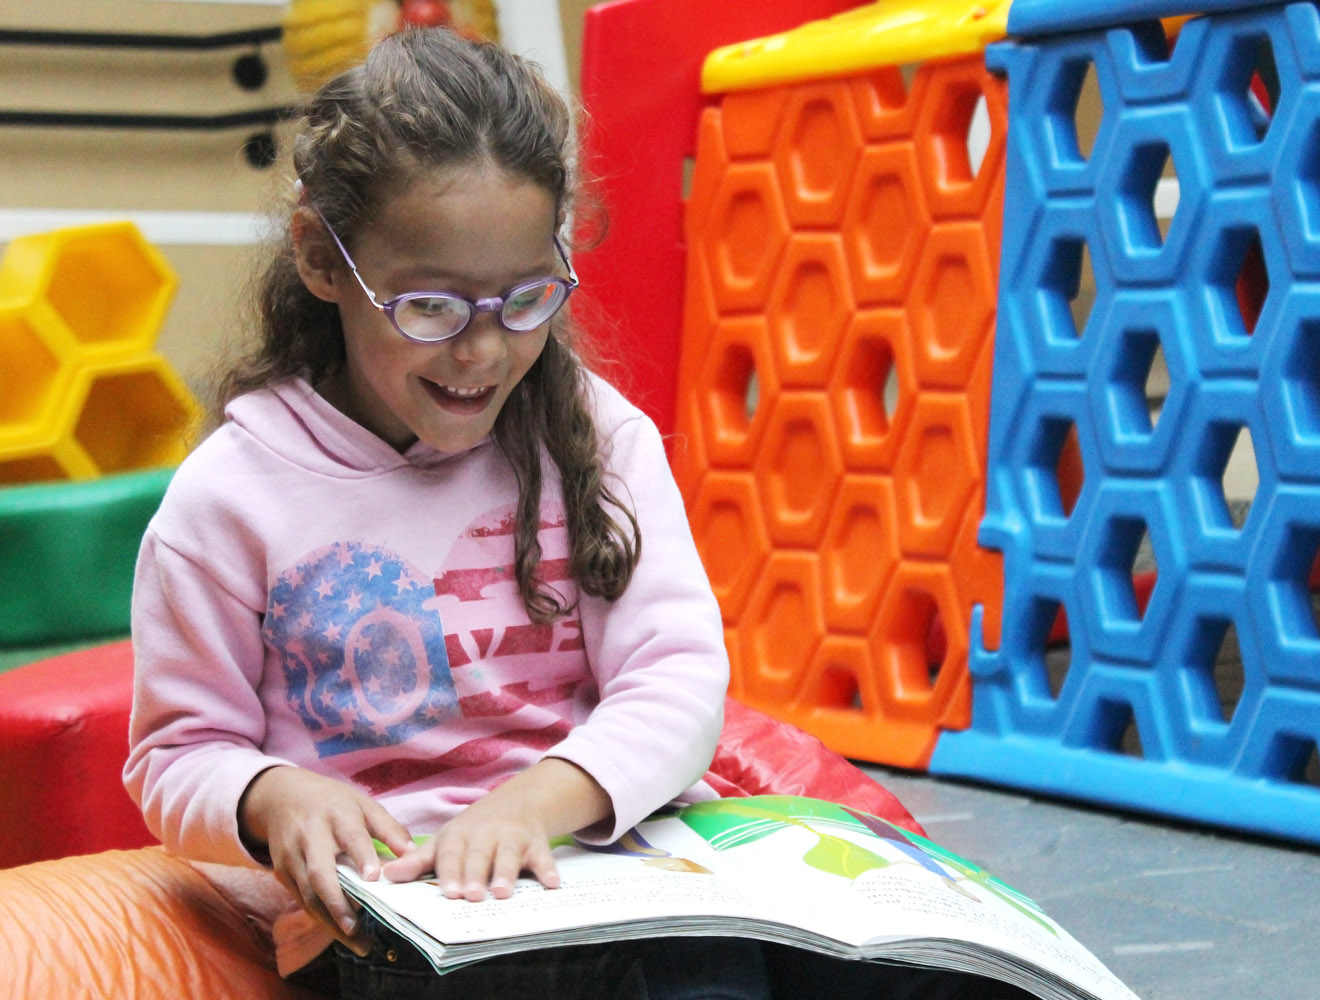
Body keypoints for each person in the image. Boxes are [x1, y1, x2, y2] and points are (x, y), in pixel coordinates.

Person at [125, 27, 1020, 1000]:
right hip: (407, 919)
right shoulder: (231, 497)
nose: (481, 352)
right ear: (323, 259)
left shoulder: (594, 435)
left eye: (524, 299)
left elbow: (675, 679)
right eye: (429, 307)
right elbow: (177, 755)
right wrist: (269, 794)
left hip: (625, 871)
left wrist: (537, 803)